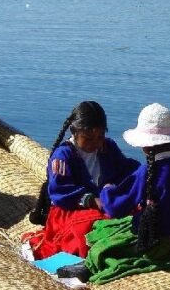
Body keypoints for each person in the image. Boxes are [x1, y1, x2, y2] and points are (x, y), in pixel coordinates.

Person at [57, 103, 170, 284]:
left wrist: (107, 191)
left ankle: (90, 266)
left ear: (145, 146)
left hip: (158, 245)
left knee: (103, 244)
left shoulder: (148, 172)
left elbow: (114, 207)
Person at [22, 101, 140, 260]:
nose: (95, 143)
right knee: (91, 229)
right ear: (75, 132)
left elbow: (125, 170)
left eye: (100, 136)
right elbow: (60, 193)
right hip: (69, 210)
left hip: (103, 204)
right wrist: (91, 200)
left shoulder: (108, 148)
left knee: (135, 215)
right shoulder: (62, 157)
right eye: (89, 138)